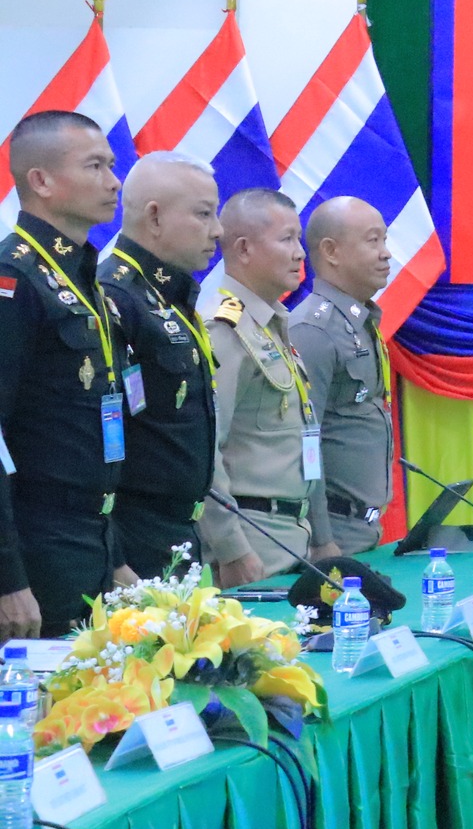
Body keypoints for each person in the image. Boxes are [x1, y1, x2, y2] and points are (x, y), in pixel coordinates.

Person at [0, 111, 126, 637]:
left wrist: (115, 556)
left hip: (92, 538)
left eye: (112, 165)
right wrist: (7, 578)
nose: (114, 181)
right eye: (95, 166)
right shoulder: (14, 278)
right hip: (37, 545)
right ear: (42, 181)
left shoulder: (84, 279)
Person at [100, 152, 223, 580]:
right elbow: (99, 439)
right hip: (133, 537)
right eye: (204, 214)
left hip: (180, 529)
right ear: (154, 217)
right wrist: (114, 557)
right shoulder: (115, 297)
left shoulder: (169, 296)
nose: (218, 230)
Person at [198, 188, 322, 584]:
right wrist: (232, 549)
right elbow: (205, 451)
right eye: (286, 239)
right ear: (244, 249)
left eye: (299, 239)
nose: (300, 253)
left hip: (291, 538)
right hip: (254, 545)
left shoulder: (270, 323)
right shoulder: (223, 328)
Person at [291, 197, 394, 557]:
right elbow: (305, 442)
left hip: (364, 528)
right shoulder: (314, 330)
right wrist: (322, 540)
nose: (386, 253)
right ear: (331, 251)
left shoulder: (359, 322)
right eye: (372, 240)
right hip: (333, 533)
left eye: (384, 240)